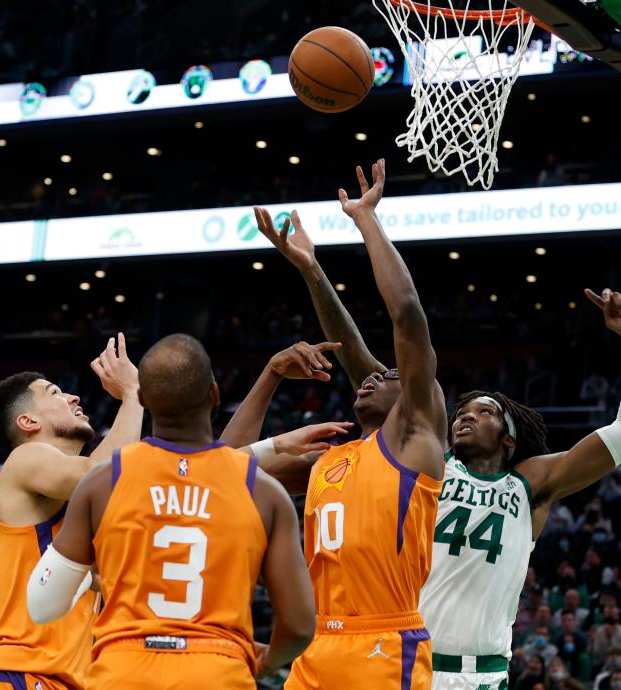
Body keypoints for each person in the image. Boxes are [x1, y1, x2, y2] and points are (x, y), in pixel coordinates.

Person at [256, 166, 621, 690]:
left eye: (486, 410)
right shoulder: (421, 458)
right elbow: (362, 359)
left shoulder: (530, 485)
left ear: (509, 437)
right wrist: (314, 273)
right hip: (398, 663)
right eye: (464, 408)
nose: (468, 413)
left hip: (481, 675)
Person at [27, 333, 328, 689]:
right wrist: (264, 660)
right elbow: (298, 625)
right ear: (214, 394)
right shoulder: (264, 492)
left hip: (124, 671)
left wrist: (95, 576)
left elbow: (43, 605)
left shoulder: (102, 482)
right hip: (217, 670)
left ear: (142, 399)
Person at [255, 158, 448, 690]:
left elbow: (406, 315)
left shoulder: (416, 437)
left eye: (385, 376)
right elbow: (234, 466)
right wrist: (310, 269)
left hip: (384, 645)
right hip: (318, 644)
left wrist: (365, 218)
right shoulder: (329, 460)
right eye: (366, 376)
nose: (368, 377)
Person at [0, 334, 145, 690]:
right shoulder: (25, 459)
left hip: (66, 677)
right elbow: (106, 476)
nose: (74, 396)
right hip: (24, 672)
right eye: (54, 393)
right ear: (28, 422)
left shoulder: (75, 501)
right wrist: (132, 393)